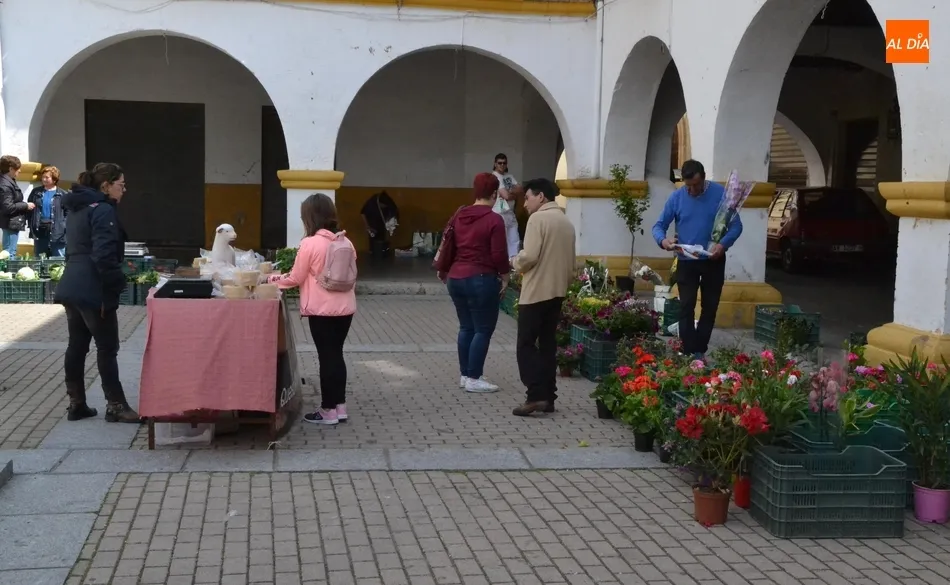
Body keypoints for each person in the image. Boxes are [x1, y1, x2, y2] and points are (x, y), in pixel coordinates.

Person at [54, 163, 140, 423]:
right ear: (106, 186)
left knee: (77, 346)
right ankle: (116, 405)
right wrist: (116, 283)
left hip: (72, 283)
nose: (124, 189)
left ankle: (76, 404)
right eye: (120, 184)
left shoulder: (79, 208)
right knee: (107, 347)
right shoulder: (103, 210)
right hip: (94, 287)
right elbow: (104, 254)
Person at [270, 193, 358, 425]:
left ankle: (328, 410)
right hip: (345, 309)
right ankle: (340, 407)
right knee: (336, 355)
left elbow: (295, 277)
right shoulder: (345, 241)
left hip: (322, 311)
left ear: (310, 217)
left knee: (327, 358)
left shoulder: (310, 243)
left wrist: (269, 280)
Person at [651, 159, 742, 361]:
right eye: (688, 186)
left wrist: (723, 244)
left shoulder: (720, 194)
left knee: (710, 306)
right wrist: (663, 241)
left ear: (704, 179)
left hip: (713, 260)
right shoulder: (676, 198)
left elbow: (736, 226)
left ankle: (700, 350)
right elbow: (658, 226)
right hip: (686, 260)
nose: (692, 190)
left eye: (697, 185)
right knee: (687, 305)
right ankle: (688, 349)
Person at [510, 178, 576, 416]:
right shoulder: (566, 221)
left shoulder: (538, 219)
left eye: (527, 198)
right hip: (557, 292)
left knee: (525, 345)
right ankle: (549, 396)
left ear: (541, 197)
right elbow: (572, 263)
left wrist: (514, 262)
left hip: (536, 292)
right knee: (548, 345)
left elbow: (529, 257)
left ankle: (535, 395)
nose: (525, 204)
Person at [441, 173, 510, 393]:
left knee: (466, 327)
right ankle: (474, 377)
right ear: (493, 194)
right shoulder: (494, 219)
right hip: (481, 279)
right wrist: (506, 277)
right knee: (483, 329)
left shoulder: (460, 214)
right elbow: (499, 254)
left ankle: (465, 374)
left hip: (456, 278)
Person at [28, 165, 68, 257]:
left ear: (54, 179)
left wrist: (64, 224)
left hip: (58, 230)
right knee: (39, 256)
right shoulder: (36, 192)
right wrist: (31, 223)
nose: (44, 179)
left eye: (47, 177)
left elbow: (68, 212)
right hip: (40, 228)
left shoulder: (62, 194)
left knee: (58, 256)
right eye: (43, 177)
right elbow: (30, 208)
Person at [0, 155, 35, 256]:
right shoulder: (5, 184)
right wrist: (25, 205)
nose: (19, 171)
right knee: (9, 253)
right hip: (10, 222)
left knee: (9, 251)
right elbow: (8, 207)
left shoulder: (7, 181)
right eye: (17, 169)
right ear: (11, 169)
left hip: (11, 222)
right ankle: (8, 272)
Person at [491, 153, 521, 258]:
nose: (502, 165)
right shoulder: (494, 176)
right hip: (499, 212)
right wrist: (512, 194)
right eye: (499, 163)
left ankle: (512, 264)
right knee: (501, 240)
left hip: (510, 212)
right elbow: (506, 195)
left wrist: (510, 193)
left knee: (514, 239)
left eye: (504, 163)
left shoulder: (509, 176)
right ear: (495, 164)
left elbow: (520, 189)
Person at [360, 191, 399, 256]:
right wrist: (367, 226)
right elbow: (363, 213)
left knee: (382, 238)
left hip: (382, 222)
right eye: (383, 206)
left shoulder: (389, 203)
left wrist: (391, 225)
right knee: (373, 236)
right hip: (372, 223)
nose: (384, 207)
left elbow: (394, 212)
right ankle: (372, 252)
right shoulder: (371, 203)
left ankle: (382, 251)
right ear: (380, 204)